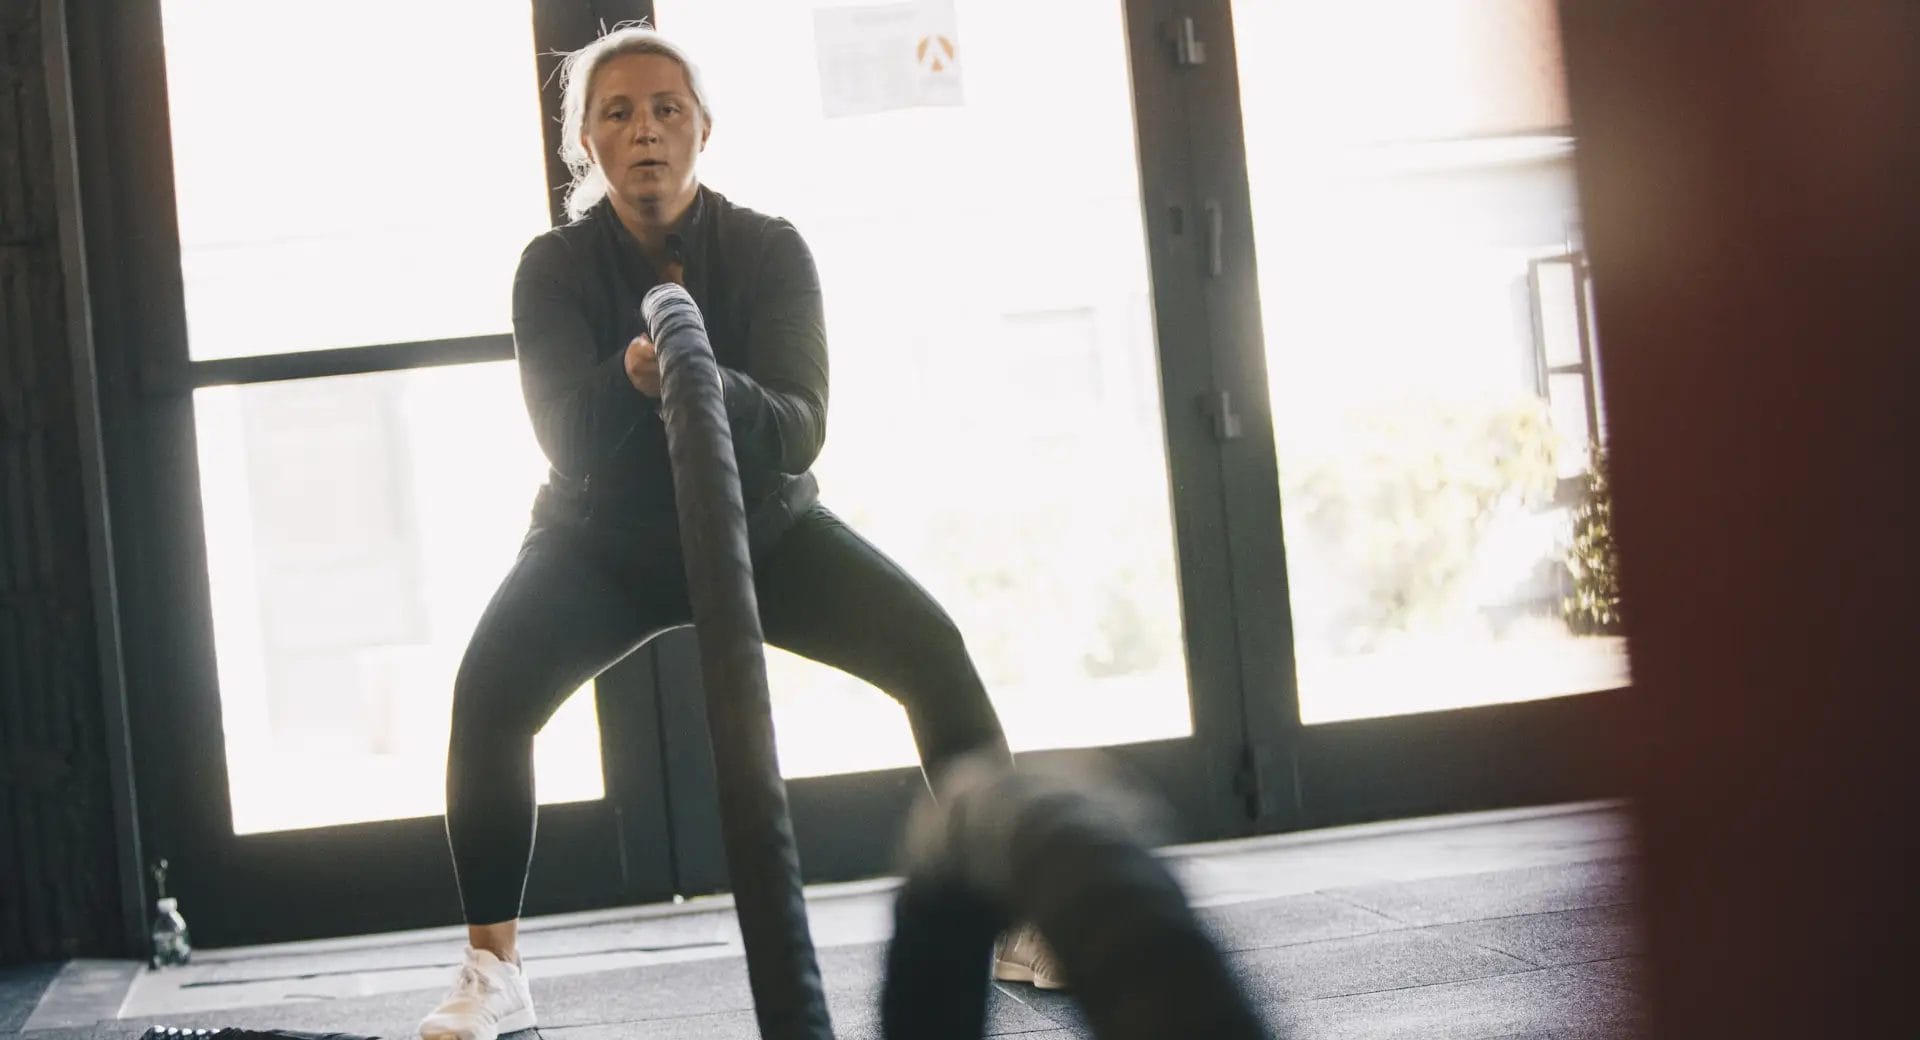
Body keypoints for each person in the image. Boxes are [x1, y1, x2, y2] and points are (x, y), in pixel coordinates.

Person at [417, 25, 1057, 1040]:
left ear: (703, 128)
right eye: (617, 113)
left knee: (934, 649)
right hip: (601, 545)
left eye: (667, 109)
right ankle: (494, 967)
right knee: (487, 692)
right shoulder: (551, 267)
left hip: (765, 530)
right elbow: (566, 436)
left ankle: (1022, 910)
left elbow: (803, 423)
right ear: (585, 142)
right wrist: (643, 375)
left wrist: (704, 377)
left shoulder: (767, 247)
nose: (645, 131)